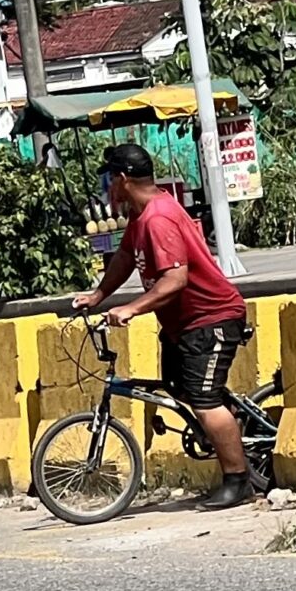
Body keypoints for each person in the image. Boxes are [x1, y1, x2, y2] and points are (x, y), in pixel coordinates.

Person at [69, 142, 257, 512]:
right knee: (179, 387)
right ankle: (230, 431)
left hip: (211, 318)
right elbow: (125, 258)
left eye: (110, 180)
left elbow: (176, 279)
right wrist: (99, 295)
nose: (108, 189)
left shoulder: (157, 218)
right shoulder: (141, 217)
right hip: (182, 325)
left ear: (122, 180)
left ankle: (239, 481)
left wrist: (132, 309)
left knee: (204, 401)